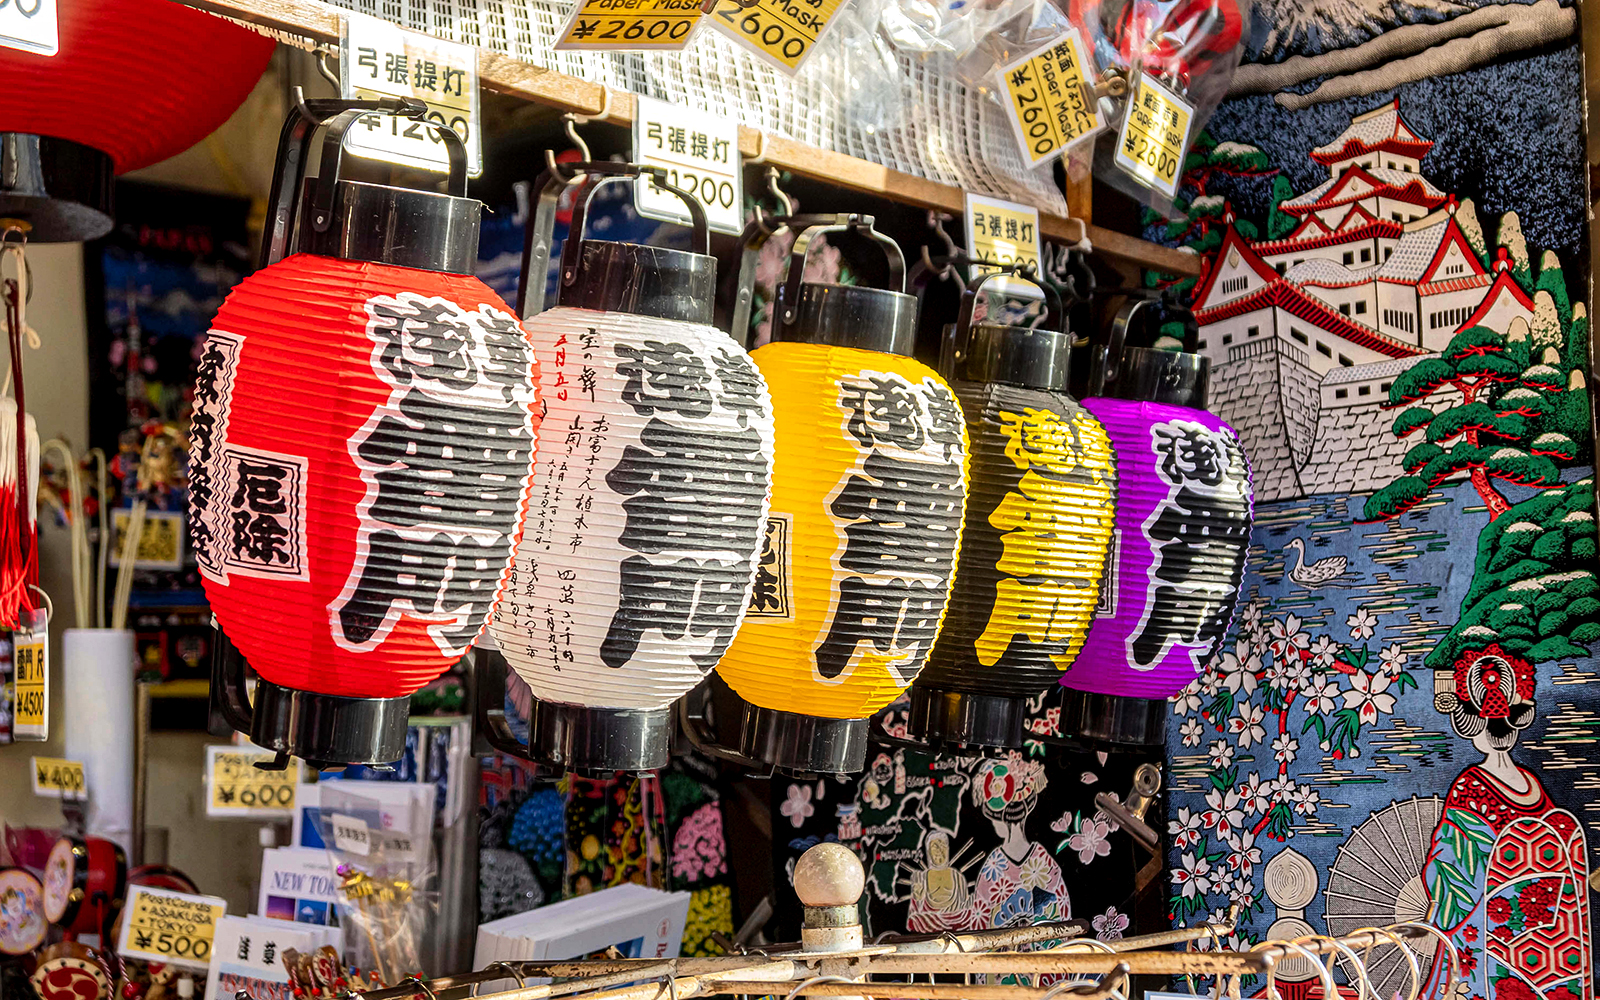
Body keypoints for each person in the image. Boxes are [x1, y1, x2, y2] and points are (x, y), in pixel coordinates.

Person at [1422, 646, 1591, 1000]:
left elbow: (1453, 871)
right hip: (1543, 929)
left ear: (1468, 725)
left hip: (1495, 923)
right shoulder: (1530, 784)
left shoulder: (1471, 785)